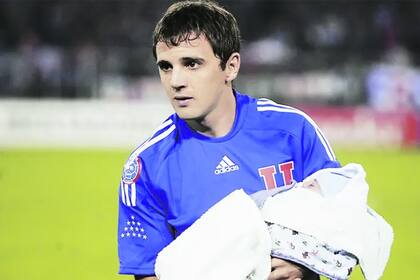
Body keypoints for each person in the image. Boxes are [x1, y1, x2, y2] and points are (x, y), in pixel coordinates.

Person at [117, 1, 339, 279]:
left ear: (231, 66)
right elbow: (146, 272)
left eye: (191, 64)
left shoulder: (292, 132)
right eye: (166, 66)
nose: (176, 81)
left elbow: (343, 218)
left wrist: (305, 263)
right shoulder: (146, 167)